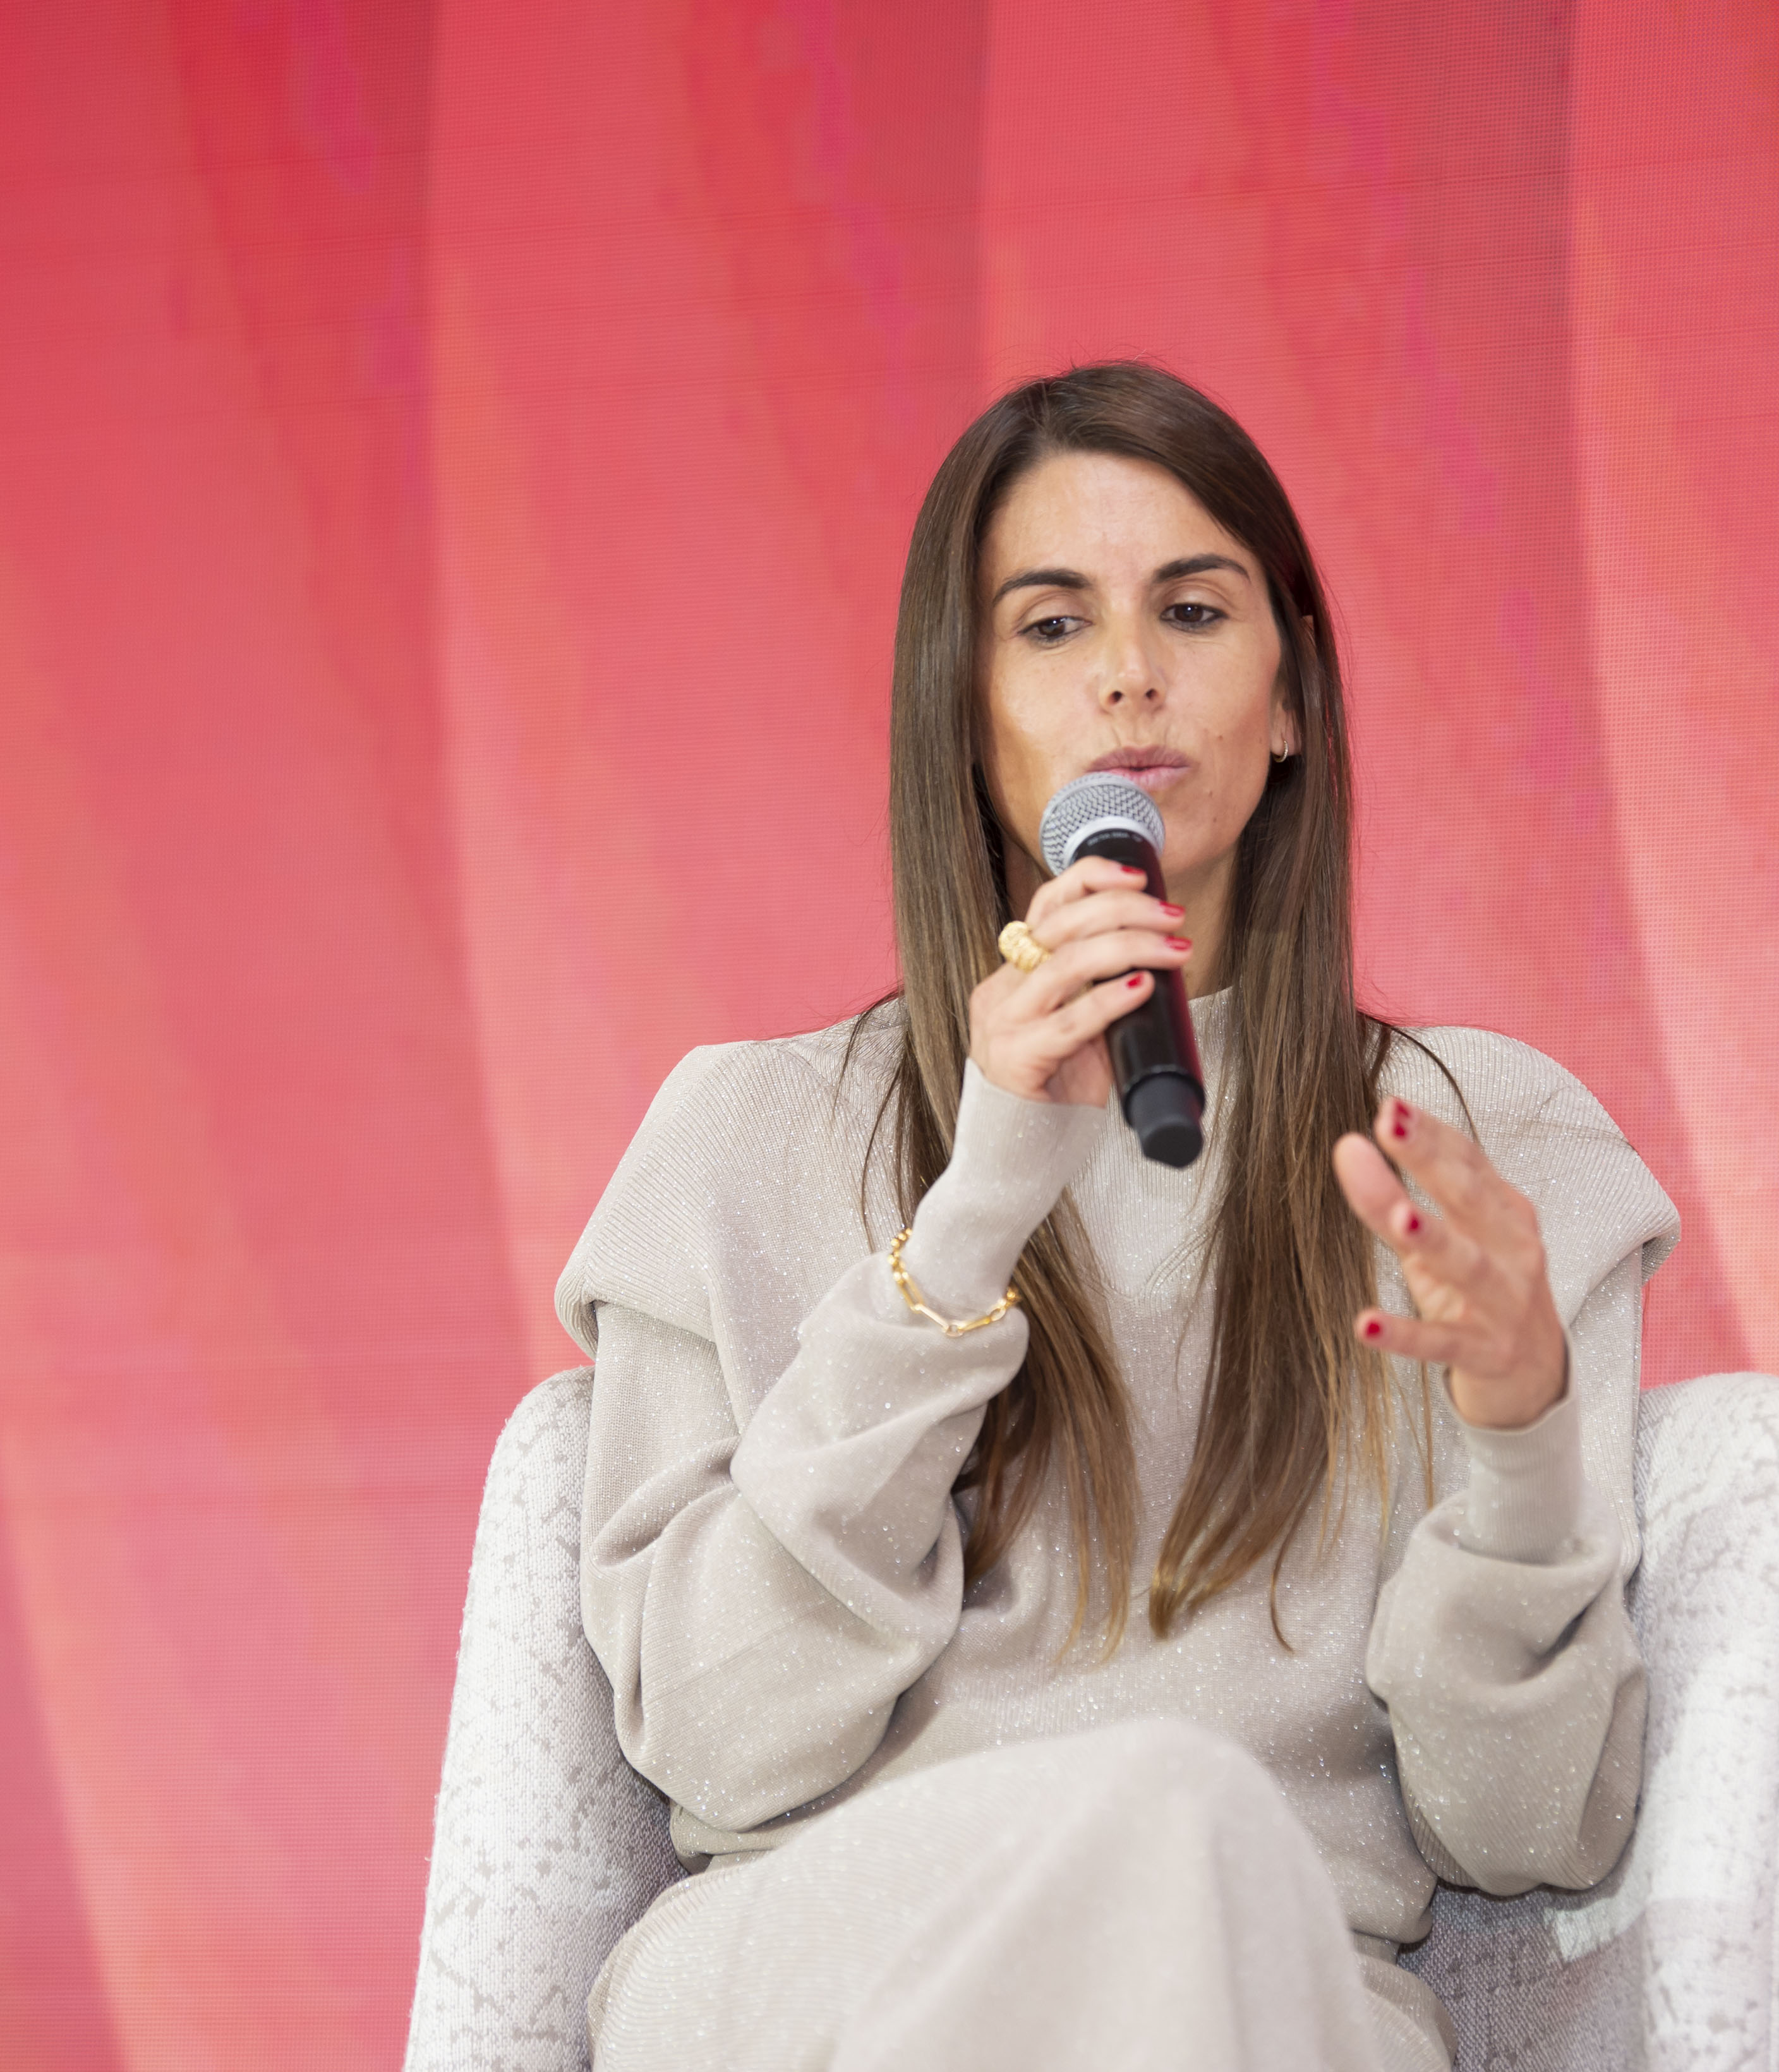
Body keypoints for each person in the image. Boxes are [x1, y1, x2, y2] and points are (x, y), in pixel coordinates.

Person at [560, 361, 1679, 2071]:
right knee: (1163, 1809)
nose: (1130, 674)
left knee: (1180, 1828)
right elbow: (719, 1738)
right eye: (1053, 624)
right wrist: (973, 1215)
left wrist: (1521, 1442)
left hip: (1259, 1987)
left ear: (1293, 697)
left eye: (1193, 610)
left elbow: (1527, 1831)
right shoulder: (749, 1134)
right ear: (964, 714)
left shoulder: (1470, 1150)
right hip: (825, 1963)